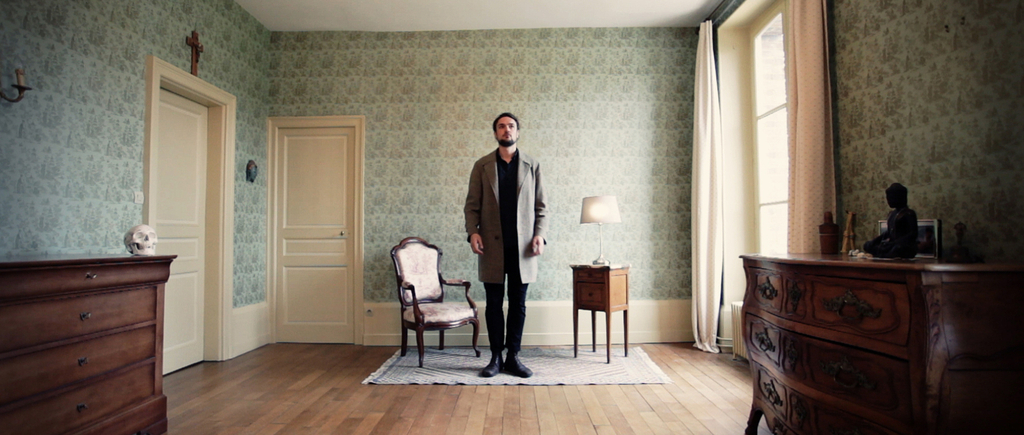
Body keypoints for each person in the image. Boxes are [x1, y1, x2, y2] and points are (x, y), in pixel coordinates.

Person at [464, 112, 547, 378]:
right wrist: (472, 233)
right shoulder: (482, 165)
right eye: (501, 126)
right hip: (492, 247)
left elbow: (542, 207)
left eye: (511, 126)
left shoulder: (532, 165)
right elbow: (471, 207)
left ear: (518, 132)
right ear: (495, 133)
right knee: (494, 303)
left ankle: (514, 356)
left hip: (523, 249)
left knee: (518, 305)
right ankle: (495, 358)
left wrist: (540, 235)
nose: (506, 130)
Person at [863, 183, 918, 258]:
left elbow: (913, 234)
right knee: (867, 245)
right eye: (887, 198)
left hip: (903, 246)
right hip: (891, 245)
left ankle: (884, 254)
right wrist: (874, 241)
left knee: (898, 249)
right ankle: (883, 253)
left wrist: (894, 243)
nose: (888, 200)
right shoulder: (892, 214)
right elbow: (888, 233)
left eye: (891, 197)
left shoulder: (908, 213)